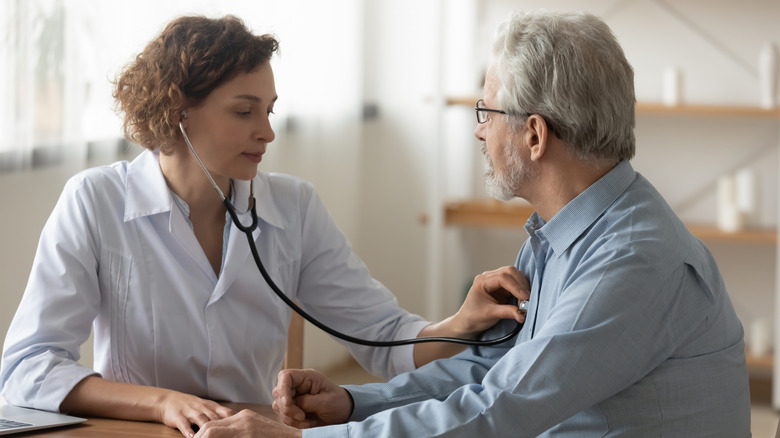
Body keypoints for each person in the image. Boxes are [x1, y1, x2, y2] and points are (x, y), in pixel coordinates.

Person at [193, 9, 752, 438]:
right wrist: (355, 402)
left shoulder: (632, 259)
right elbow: (489, 370)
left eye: (487, 113)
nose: (480, 132)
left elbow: (500, 407)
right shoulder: (561, 234)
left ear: (534, 135)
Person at [0, 15, 530, 438]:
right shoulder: (96, 201)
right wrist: (162, 403)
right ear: (179, 109)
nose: (267, 132)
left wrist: (460, 324)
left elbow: (386, 341)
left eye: (270, 110)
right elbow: (27, 367)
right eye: (244, 111)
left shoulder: (294, 207)